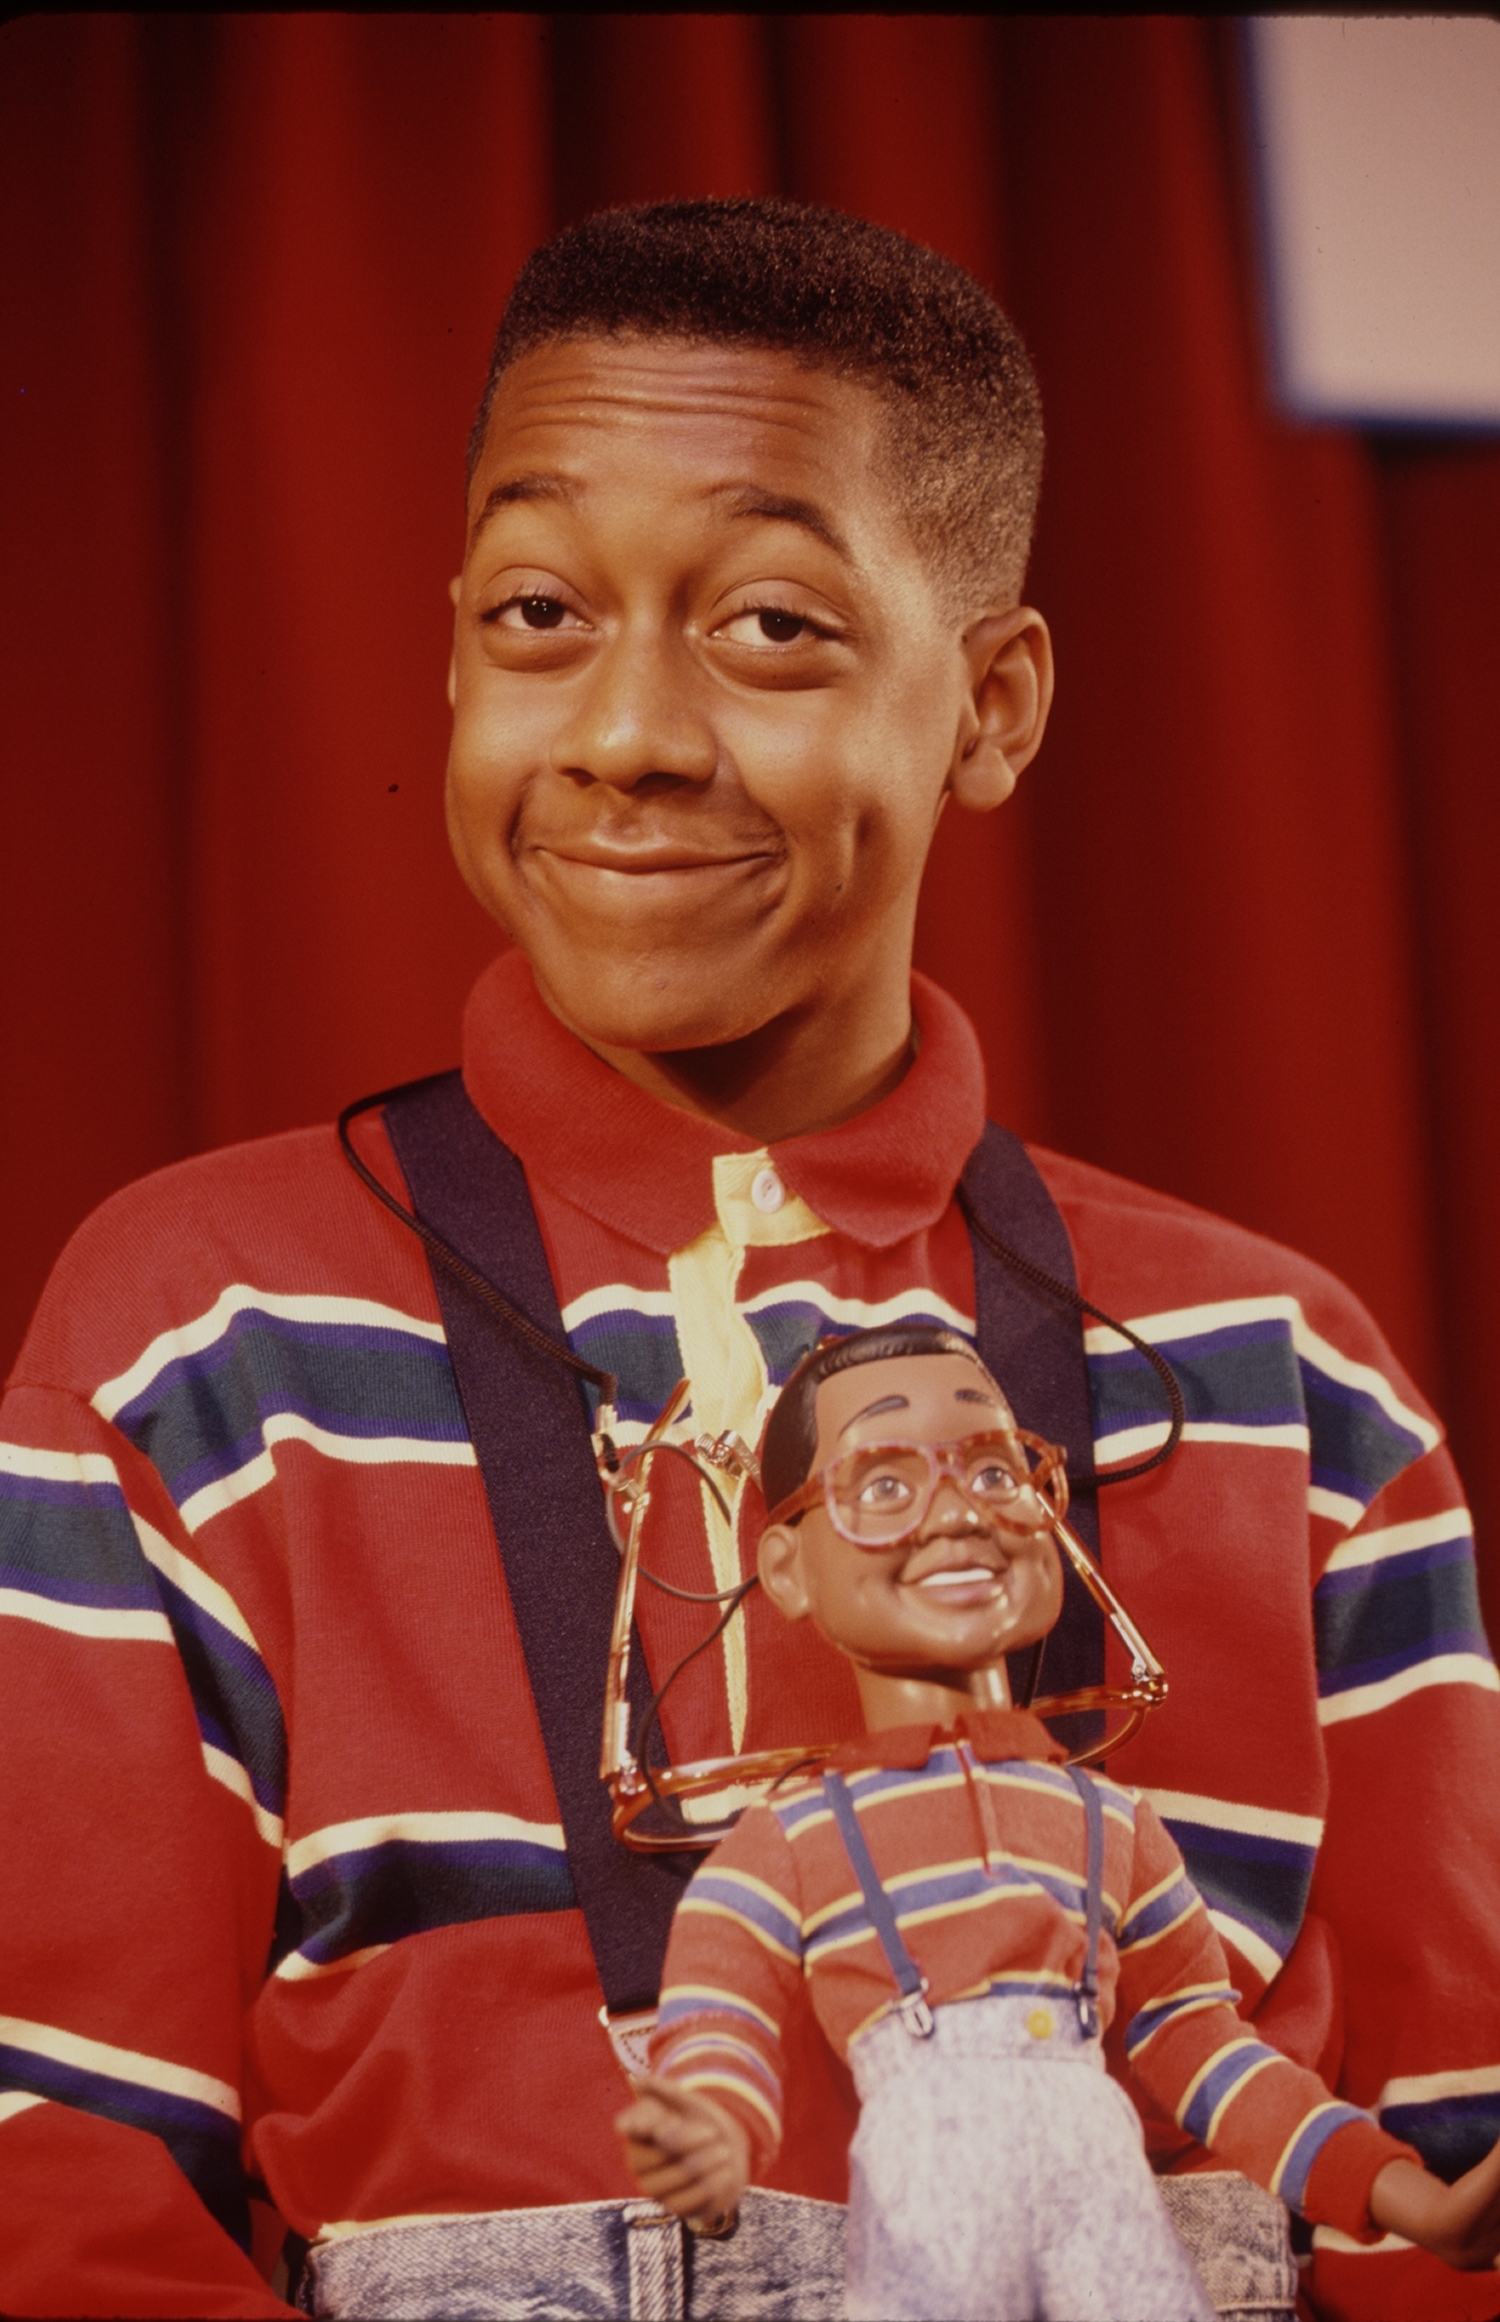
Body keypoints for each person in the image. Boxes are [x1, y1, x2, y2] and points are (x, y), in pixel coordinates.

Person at [1, 197, 1497, 2322]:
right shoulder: (195, 1335)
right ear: (448, 651)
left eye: (773, 628)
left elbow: (1446, 2181)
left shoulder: (1289, 1385)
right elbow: (61, 2183)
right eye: (537, 612)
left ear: (990, 704)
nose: (624, 734)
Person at [620, 1323, 1500, 2320]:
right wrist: (713, 2133)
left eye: (993, 1471)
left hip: (1106, 2206)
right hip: (930, 2211)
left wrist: (1415, 2199)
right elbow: (718, 2023)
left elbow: (1205, 2049)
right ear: (787, 1568)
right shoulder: (791, 1843)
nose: (955, 1514)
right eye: (883, 1487)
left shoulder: (1113, 1826)